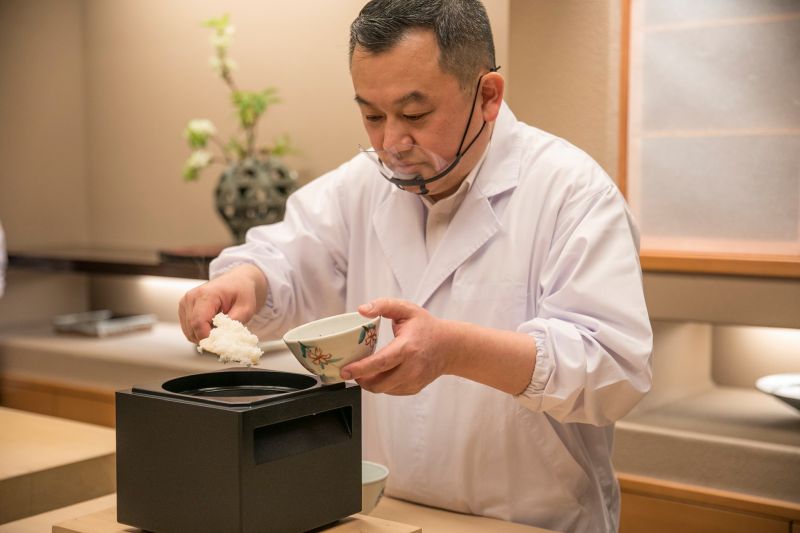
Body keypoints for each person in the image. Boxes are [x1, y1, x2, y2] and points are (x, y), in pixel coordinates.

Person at [179, 1, 653, 531]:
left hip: (530, 519)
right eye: (372, 116)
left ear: (488, 96)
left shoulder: (571, 192)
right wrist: (244, 281)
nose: (391, 144)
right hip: (388, 515)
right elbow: (282, 256)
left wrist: (454, 349)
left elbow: (614, 371)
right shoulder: (361, 185)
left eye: (415, 115)